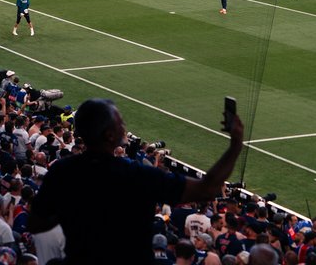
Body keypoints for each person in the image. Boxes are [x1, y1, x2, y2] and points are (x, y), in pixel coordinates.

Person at [27, 97, 244, 265]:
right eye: (120, 123)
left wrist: (75, 214)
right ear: (110, 135)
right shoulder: (137, 175)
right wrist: (235, 144)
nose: (124, 127)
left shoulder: (62, 172)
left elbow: (37, 223)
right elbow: (206, 189)